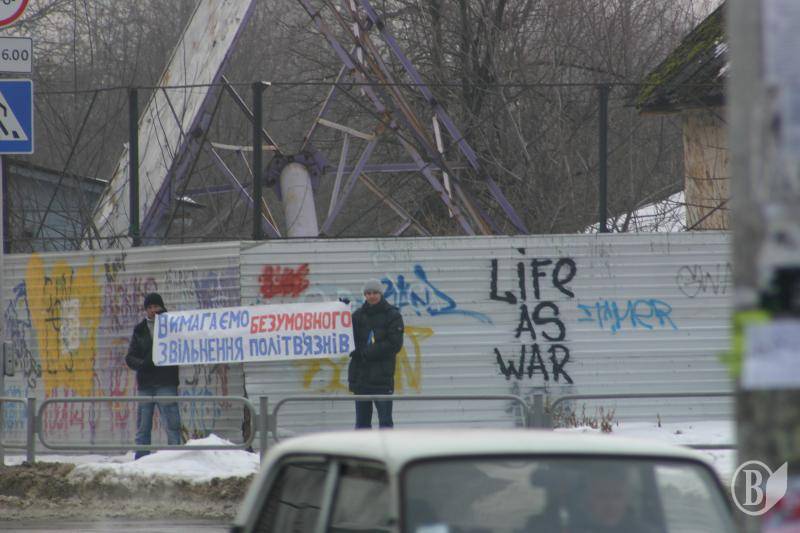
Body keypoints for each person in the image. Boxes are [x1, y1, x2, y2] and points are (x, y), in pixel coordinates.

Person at [125, 292, 181, 459]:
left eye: (156, 306)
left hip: (166, 382)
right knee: (143, 426)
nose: (153, 310)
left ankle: (176, 460)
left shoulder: (172, 326)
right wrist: (143, 364)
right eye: (149, 307)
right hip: (146, 385)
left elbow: (183, 344)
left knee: (172, 425)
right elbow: (130, 357)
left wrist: (166, 318)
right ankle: (141, 460)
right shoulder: (140, 329)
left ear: (162, 307)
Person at [347, 279, 404, 429]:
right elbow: (345, 336)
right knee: (362, 424)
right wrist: (342, 311)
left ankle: (386, 446)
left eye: (375, 293)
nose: (371, 296)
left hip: (381, 380)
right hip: (361, 378)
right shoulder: (357, 316)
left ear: (381, 294)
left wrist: (367, 352)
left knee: (385, 423)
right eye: (368, 293)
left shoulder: (392, 315)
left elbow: (395, 344)